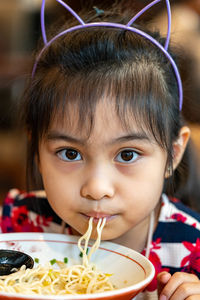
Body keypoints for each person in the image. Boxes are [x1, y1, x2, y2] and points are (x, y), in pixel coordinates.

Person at [1, 1, 200, 299]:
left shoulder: (191, 250)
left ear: (173, 153)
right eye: (70, 153)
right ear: (38, 151)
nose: (97, 189)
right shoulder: (15, 225)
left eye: (127, 154)